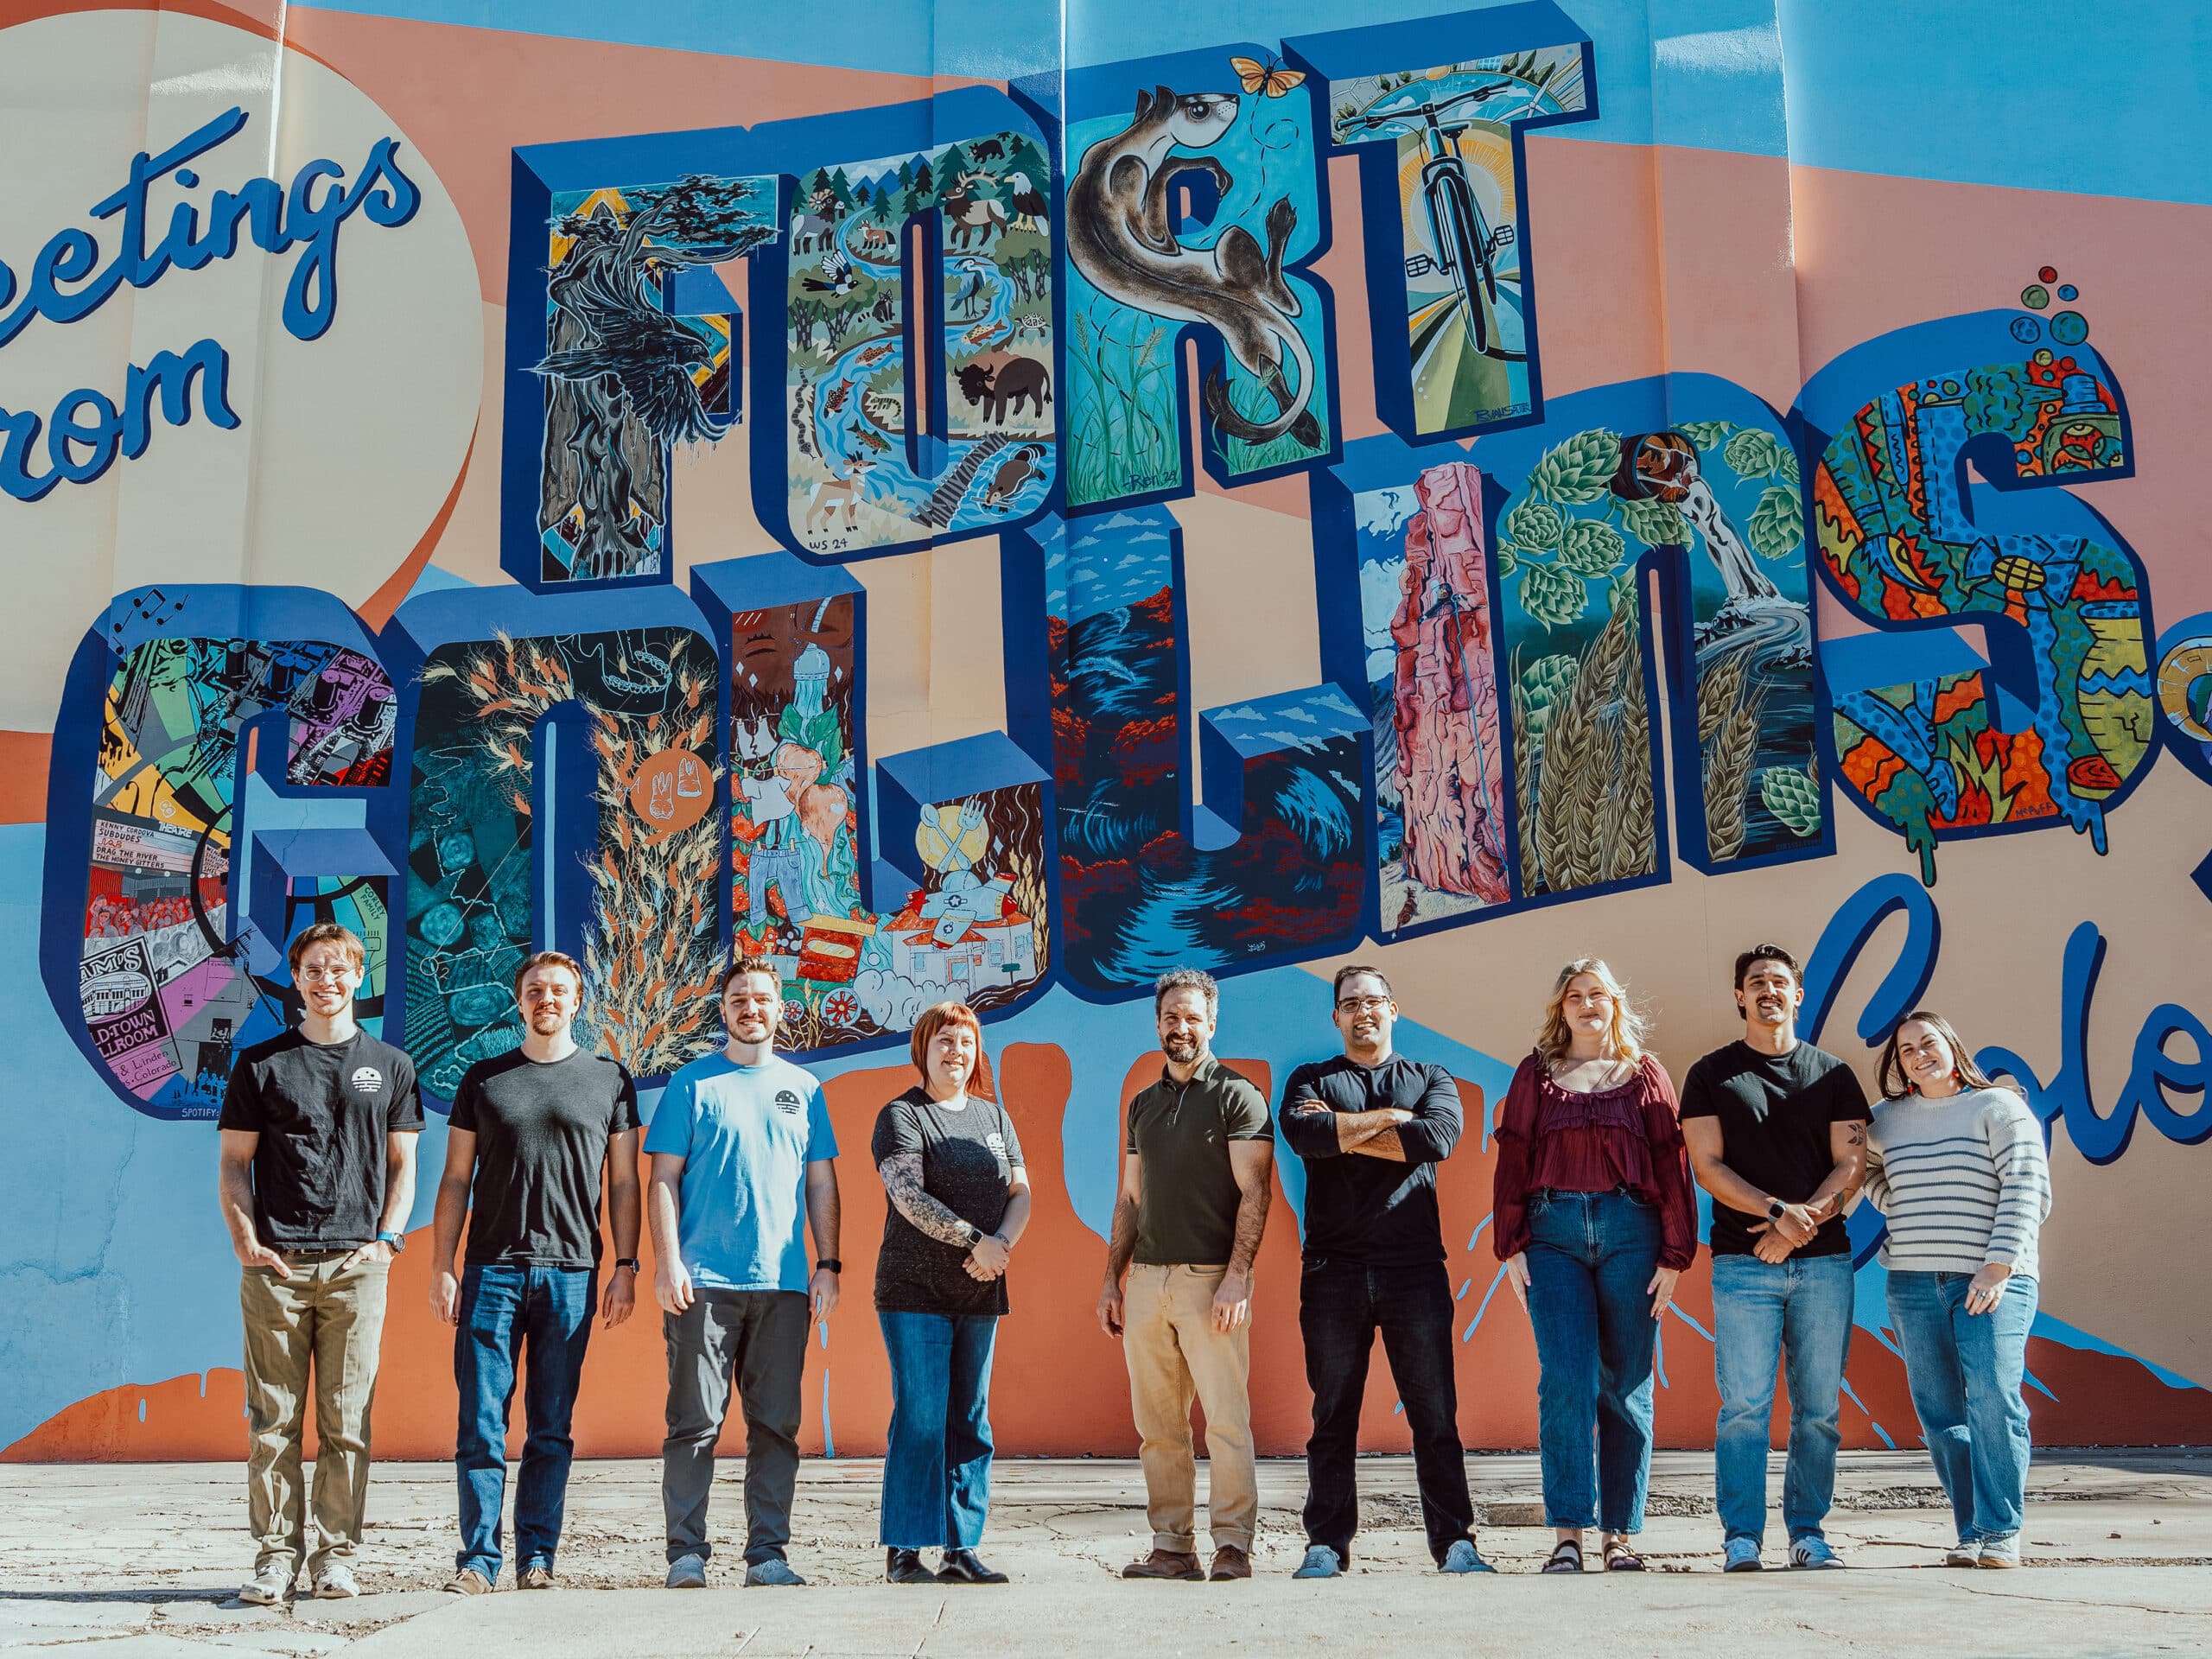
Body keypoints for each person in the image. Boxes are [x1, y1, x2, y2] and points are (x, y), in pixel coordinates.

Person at [216, 922, 422, 1605]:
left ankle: (336, 1555)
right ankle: (275, 1555)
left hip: (357, 1267)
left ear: (358, 976)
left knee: (346, 1420)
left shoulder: (391, 1065)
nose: (326, 981)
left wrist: (387, 1240)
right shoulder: (261, 1064)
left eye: (339, 970)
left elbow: (403, 1166)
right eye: (313, 970)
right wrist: (247, 1242)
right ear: (297, 978)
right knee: (272, 1418)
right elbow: (234, 1164)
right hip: (275, 1266)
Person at [428, 950, 642, 1594]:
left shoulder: (610, 1080)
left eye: (558, 990)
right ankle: (477, 1561)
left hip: (573, 1273)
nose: (546, 998)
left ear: (578, 1001)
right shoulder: (484, 1079)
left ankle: (538, 1559)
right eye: (534, 990)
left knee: (551, 1427)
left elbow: (626, 1182)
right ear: (518, 1001)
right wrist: (442, 1265)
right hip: (490, 1271)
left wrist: (626, 1265)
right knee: (481, 1424)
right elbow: (455, 1180)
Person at [1277, 965, 1493, 1579]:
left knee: (1435, 1416)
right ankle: (1325, 1546)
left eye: (1373, 1001)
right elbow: (1306, 1135)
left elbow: (1438, 1140)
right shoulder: (1311, 1079)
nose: (1363, 1011)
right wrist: (1394, 1121)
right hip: (1332, 1271)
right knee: (1331, 1415)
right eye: (1350, 1003)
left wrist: (1345, 1133)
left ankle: (1455, 1543)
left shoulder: (1430, 1077)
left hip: (1414, 1270)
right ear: (1336, 1017)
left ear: (1394, 1010)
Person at [1491, 958, 1694, 1574]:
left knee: (1627, 1385)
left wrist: (1676, 1255)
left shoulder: (1645, 1073)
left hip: (1632, 1230)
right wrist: (1511, 1245)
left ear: (1614, 1005)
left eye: (1597, 995)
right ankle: (1569, 1535)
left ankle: (1620, 1536)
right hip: (1552, 1235)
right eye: (1574, 996)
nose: (1586, 1005)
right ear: (1561, 1008)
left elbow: (1671, 1161)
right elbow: (1514, 1156)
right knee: (1565, 1381)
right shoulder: (1536, 1074)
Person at [645, 957, 841, 1589]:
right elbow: (663, 1179)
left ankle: (768, 1557)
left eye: (761, 999)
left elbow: (821, 1183)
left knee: (776, 1426)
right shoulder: (691, 1085)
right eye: (738, 1000)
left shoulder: (806, 1091)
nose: (750, 1009)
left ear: (780, 1009)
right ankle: (686, 1555)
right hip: (702, 1284)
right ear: (723, 1010)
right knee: (695, 1423)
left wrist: (828, 1264)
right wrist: (667, 1262)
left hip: (783, 1286)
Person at [1680, 944, 1869, 1573]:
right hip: (1743, 1265)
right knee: (1744, 1409)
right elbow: (1707, 1165)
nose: (1768, 990)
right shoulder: (1711, 1074)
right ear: (1739, 996)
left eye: (1778, 982)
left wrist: (1797, 1224)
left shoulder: (1834, 1075)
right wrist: (1773, 1214)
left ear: (1798, 994)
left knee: (1819, 1410)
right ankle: (1741, 1537)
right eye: (1756, 982)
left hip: (1823, 1264)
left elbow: (1853, 1165)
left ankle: (1809, 1533)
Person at [1099, 969, 1274, 1583]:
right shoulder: (1143, 1105)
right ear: (1158, 1023)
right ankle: (1172, 1548)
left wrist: (1236, 1278)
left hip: (1210, 1281)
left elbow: (1257, 1192)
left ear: (1212, 1022)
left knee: (1226, 1421)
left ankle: (1233, 1546)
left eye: (1193, 1017)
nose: (1181, 1027)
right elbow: (1129, 1200)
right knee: (1158, 1428)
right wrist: (1110, 1280)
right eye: (1171, 1016)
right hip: (1146, 1281)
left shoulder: (1237, 1095)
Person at [1864, 1009, 2052, 1570]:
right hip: (1912, 1282)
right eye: (1906, 1050)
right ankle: (1970, 1531)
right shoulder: (1885, 1120)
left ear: (1952, 1045)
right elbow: (1857, 1167)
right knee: (1941, 1412)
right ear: (1897, 1064)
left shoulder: (1997, 1106)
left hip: (1991, 1281)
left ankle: (2002, 1530)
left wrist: (1997, 1267)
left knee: (1993, 1399)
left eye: (1928, 1043)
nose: (1919, 1054)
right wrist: (1892, 1198)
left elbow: (2029, 1187)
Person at [871, 1001, 1030, 1586]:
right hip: (913, 1292)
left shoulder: (994, 1118)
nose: (955, 1052)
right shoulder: (902, 1116)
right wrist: (974, 1240)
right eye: (943, 1041)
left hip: (981, 1291)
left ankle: (962, 1549)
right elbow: (907, 1197)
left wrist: (1002, 1244)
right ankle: (906, 1550)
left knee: (971, 1420)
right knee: (920, 1418)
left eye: (964, 1042)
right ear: (923, 1051)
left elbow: (1021, 1189)